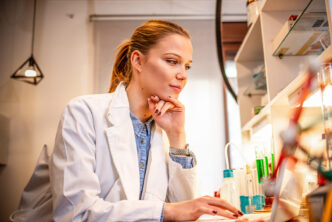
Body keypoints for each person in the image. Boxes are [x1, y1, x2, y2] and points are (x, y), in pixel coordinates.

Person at [10, 20, 243, 221]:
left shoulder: (161, 131)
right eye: (172, 61)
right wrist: (167, 212)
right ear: (138, 61)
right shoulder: (84, 112)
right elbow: (76, 214)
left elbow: (183, 209)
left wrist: (176, 136)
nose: (183, 75)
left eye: (187, 66)